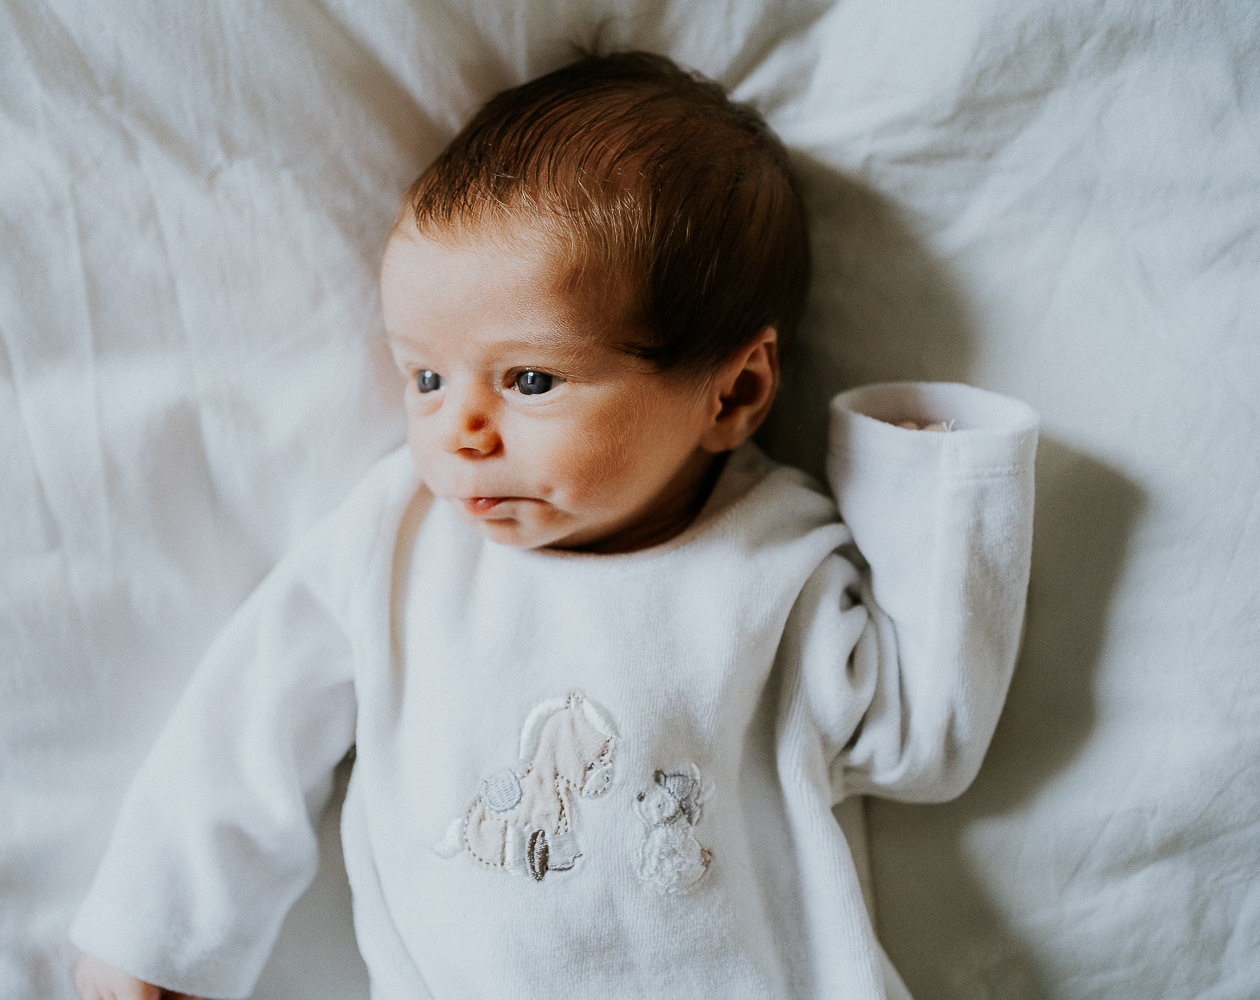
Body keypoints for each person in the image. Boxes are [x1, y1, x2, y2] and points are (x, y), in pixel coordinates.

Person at [69, 51, 1038, 1000]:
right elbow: (253, 717)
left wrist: (934, 487)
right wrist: (159, 934)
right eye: (425, 377)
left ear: (734, 391)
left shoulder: (774, 560)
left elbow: (918, 746)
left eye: (530, 379)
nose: (461, 430)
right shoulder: (399, 536)